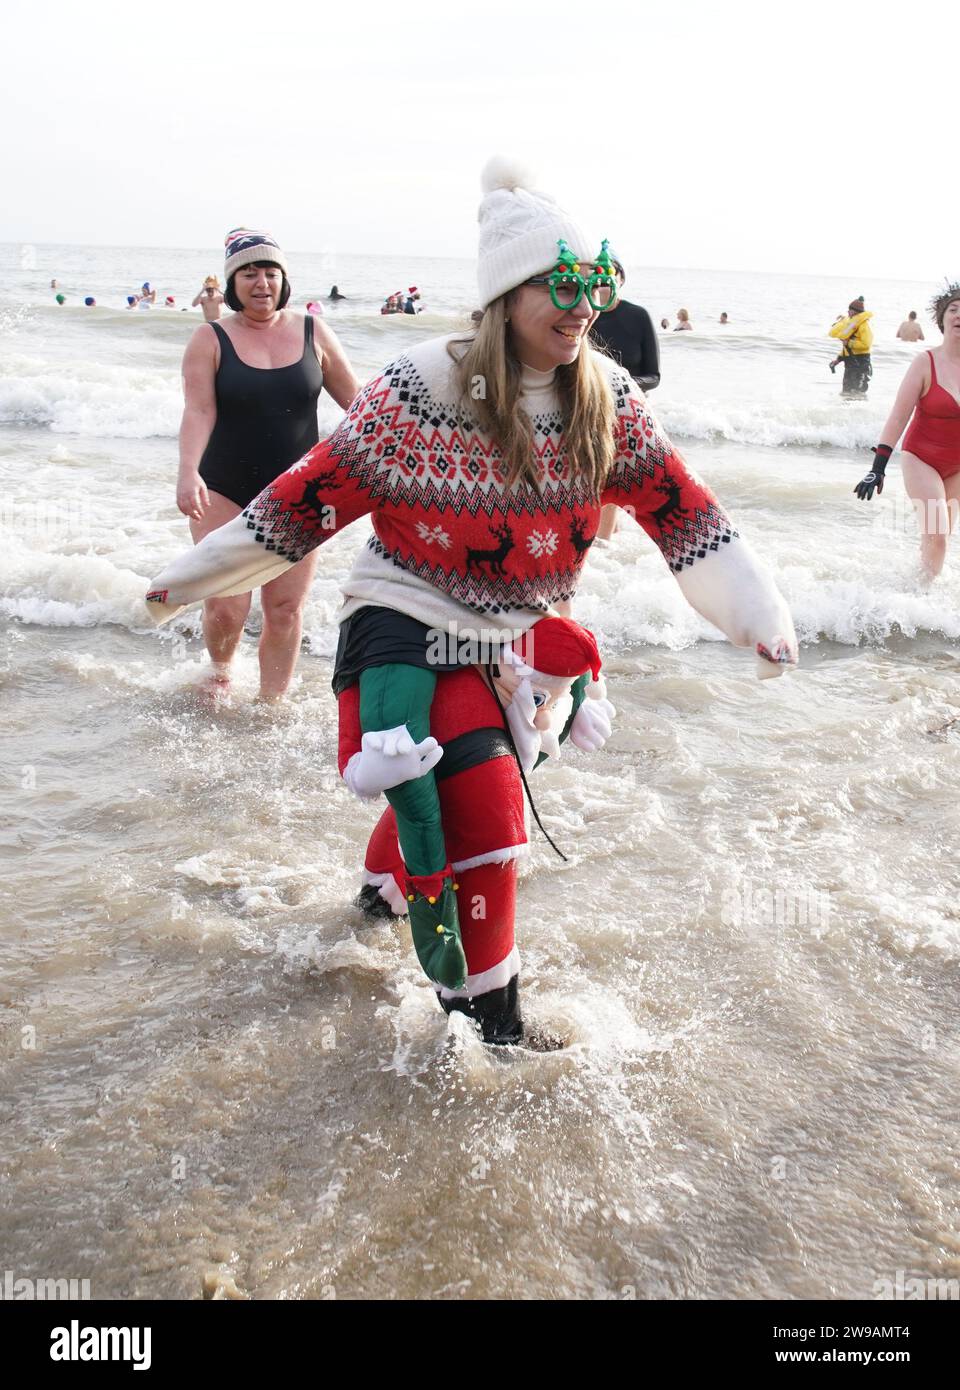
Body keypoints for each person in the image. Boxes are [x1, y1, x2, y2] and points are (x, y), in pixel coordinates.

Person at [145, 162, 797, 1046]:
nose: (584, 309)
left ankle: (375, 899)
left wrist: (760, 616)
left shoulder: (607, 399)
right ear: (506, 294)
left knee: (443, 783)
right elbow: (308, 497)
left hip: (510, 638)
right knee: (486, 802)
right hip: (402, 619)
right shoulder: (421, 387)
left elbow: (683, 511)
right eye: (563, 288)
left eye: (595, 287)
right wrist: (187, 580)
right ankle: (491, 1027)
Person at [172, 227, 360, 701]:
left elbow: (358, 406)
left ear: (284, 278)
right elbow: (199, 411)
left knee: (284, 609)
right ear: (233, 283)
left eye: (270, 272)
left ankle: (270, 704)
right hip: (223, 487)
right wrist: (187, 471)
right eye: (249, 273)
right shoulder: (209, 338)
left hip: (302, 489)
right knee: (226, 607)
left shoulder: (314, 331)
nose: (261, 283)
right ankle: (219, 674)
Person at [854, 283, 960, 579]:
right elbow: (898, 418)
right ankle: (921, 598)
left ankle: (916, 600)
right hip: (922, 459)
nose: (959, 315)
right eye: (954, 309)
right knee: (938, 534)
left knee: (936, 539)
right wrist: (878, 467)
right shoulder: (925, 363)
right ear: (942, 319)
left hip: (957, 467)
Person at [589, 254, 661, 541]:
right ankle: (604, 532)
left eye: (610, 274)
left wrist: (620, 384)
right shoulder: (582, 314)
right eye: (596, 275)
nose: (603, 281)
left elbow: (654, 376)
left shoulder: (638, 316)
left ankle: (604, 543)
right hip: (587, 404)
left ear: (621, 280)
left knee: (609, 475)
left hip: (628, 408)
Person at [828, 296, 873, 397]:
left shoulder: (864, 326)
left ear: (855, 312)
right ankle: (844, 413)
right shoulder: (851, 325)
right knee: (845, 394)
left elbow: (866, 344)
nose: (848, 312)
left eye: (850, 310)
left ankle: (861, 413)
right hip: (850, 365)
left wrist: (849, 343)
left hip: (861, 365)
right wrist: (838, 360)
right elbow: (848, 349)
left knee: (858, 394)